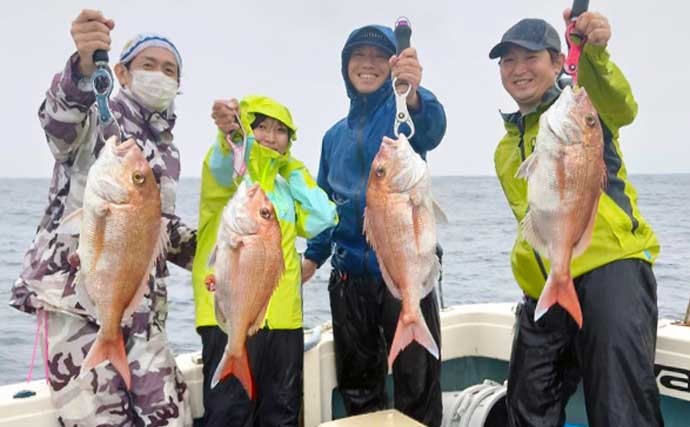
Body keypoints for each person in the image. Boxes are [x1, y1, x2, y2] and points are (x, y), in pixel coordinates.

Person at [9, 10, 196, 426]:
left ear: (179, 85)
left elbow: (157, 227)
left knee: (171, 417)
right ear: (121, 74)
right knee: (98, 419)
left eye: (170, 70)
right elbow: (60, 123)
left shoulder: (167, 149)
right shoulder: (99, 116)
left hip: (141, 307)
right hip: (76, 304)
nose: (159, 75)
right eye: (148, 65)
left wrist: (218, 254)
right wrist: (81, 65)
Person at [489, 9, 663, 426]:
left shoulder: (585, 111)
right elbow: (533, 224)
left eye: (530, 57)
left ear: (556, 62)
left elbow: (621, 106)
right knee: (527, 407)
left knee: (622, 409)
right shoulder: (505, 150)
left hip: (611, 271)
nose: (518, 69)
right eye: (508, 61)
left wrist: (595, 55)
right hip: (547, 287)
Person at [301, 25, 447, 426]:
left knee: (417, 384)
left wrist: (414, 94)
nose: (367, 64)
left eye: (379, 56)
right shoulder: (333, 137)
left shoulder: (403, 119)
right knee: (359, 387)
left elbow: (432, 127)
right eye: (357, 56)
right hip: (349, 281)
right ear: (345, 66)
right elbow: (325, 209)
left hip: (405, 277)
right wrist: (313, 259)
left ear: (393, 65)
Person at [192, 95, 338, 426]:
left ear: (290, 139)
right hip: (230, 318)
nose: (271, 137)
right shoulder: (231, 173)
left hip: (284, 323)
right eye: (261, 127)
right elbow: (221, 159)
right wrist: (230, 133)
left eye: (280, 130)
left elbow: (323, 216)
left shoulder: (287, 187)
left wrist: (291, 167)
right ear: (247, 128)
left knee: (281, 414)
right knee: (230, 415)